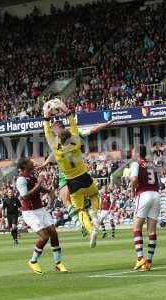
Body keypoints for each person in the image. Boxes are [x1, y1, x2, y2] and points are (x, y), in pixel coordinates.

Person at [38, 119, 115, 237]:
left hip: (66, 173)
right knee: (79, 199)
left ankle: (80, 224)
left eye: (54, 127)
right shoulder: (73, 135)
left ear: (59, 127)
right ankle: (88, 220)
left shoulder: (58, 140)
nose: (53, 129)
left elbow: (54, 151)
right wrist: (107, 124)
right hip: (79, 171)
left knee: (67, 201)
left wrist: (46, 163)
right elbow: (93, 129)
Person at [43, 101, 100, 248]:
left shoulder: (56, 149)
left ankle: (91, 230)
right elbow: (73, 126)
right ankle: (94, 213)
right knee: (94, 195)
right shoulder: (76, 142)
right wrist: (66, 110)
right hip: (84, 177)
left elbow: (47, 133)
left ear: (59, 140)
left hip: (72, 183)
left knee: (79, 209)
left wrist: (46, 116)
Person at [16, 157, 67, 275]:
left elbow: (38, 188)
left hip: (40, 210)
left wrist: (49, 191)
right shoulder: (21, 180)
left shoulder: (32, 175)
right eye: (30, 161)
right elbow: (25, 197)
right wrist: (38, 184)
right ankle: (33, 261)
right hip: (30, 212)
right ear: (24, 166)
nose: (33, 162)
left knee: (54, 233)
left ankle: (58, 263)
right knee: (44, 237)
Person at [130, 145, 160, 272]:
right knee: (152, 231)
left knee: (136, 228)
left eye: (132, 151)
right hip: (156, 195)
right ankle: (149, 261)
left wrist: (132, 189)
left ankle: (140, 258)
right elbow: (158, 183)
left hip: (143, 194)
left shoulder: (135, 164)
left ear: (137, 153)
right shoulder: (152, 165)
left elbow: (134, 179)